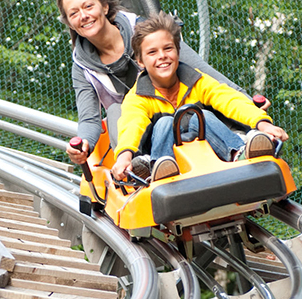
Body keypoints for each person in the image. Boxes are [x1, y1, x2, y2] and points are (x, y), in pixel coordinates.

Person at [56, 0, 258, 166]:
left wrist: (248, 104)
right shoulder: (82, 67)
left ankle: (241, 144)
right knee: (115, 110)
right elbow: (89, 119)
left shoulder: (149, 34)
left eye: (88, 6)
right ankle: (138, 167)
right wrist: (83, 142)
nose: (83, 16)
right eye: (74, 13)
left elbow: (204, 74)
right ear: (69, 22)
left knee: (200, 91)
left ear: (104, 6)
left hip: (180, 111)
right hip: (138, 134)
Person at [111, 12, 289, 183]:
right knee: (164, 123)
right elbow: (131, 125)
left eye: (168, 48)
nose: (162, 56)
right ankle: (159, 167)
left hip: (207, 150)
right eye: (152, 52)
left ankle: (237, 152)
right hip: (164, 152)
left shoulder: (196, 81)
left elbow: (228, 99)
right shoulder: (138, 97)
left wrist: (262, 123)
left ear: (178, 52)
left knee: (201, 116)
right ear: (140, 62)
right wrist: (124, 156)